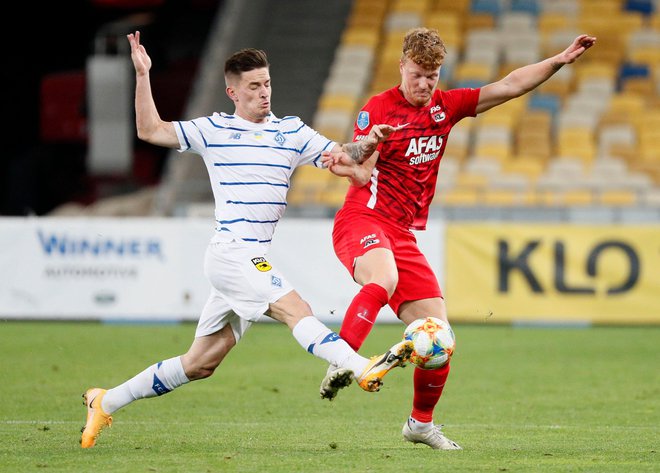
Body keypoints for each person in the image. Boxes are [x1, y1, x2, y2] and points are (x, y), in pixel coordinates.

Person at [80, 31, 414, 449]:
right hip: (231, 252)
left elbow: (345, 154)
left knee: (201, 363)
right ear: (232, 92)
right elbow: (150, 130)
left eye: (267, 83)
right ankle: (361, 366)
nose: (264, 93)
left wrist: (370, 142)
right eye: (254, 87)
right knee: (297, 309)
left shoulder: (291, 131)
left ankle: (105, 400)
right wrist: (143, 75)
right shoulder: (213, 130)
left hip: (250, 255)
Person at [321, 27, 596, 449]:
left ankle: (419, 425)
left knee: (440, 339)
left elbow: (508, 85)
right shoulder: (378, 108)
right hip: (364, 219)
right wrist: (353, 153)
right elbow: (360, 166)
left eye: (432, 76)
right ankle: (341, 358)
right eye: (417, 74)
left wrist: (558, 61)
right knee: (384, 279)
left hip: (403, 234)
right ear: (402, 67)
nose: (424, 84)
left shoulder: (445, 107)